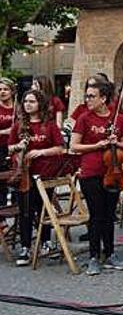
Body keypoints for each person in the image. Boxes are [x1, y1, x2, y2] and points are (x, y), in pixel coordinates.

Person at [71, 81, 123, 275]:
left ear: (103, 98)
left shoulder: (118, 119)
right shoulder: (84, 118)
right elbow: (75, 146)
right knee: (96, 215)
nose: (87, 100)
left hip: (112, 171)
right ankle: (93, 257)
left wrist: (116, 143)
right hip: (90, 172)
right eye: (87, 96)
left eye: (91, 96)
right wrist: (98, 145)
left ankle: (110, 253)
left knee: (109, 214)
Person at [10, 89, 64, 266]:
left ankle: (46, 242)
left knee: (44, 209)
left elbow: (59, 148)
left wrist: (40, 151)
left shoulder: (49, 125)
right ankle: (25, 247)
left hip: (45, 173)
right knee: (25, 211)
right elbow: (9, 149)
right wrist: (19, 146)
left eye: (32, 101)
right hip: (24, 174)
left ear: (40, 104)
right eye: (25, 101)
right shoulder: (19, 125)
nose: (27, 104)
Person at [0, 78, 15, 204]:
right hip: (1, 148)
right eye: (0, 89)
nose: (2, 92)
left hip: (14, 148)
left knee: (17, 180)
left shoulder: (18, 107)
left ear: (12, 91)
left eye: (5, 89)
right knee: (1, 182)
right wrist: (5, 131)